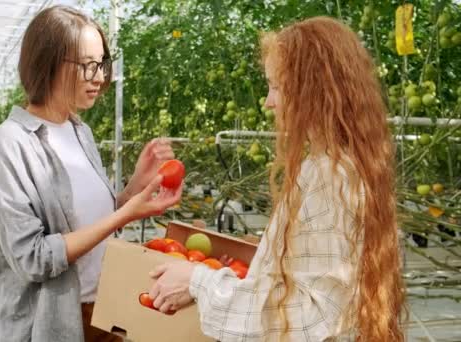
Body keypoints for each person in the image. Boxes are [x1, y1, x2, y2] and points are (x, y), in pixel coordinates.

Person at [148, 17, 404, 341]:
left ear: (315, 91)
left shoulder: (330, 177)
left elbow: (311, 318)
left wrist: (199, 280)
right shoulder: (331, 164)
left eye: (278, 86)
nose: (269, 101)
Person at [0, 6, 182, 342]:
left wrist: (133, 190)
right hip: (50, 325)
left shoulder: (78, 132)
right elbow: (34, 259)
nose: (100, 77)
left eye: (101, 64)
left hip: (103, 311)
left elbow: (84, 224)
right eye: (87, 65)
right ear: (47, 62)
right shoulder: (7, 147)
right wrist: (127, 213)